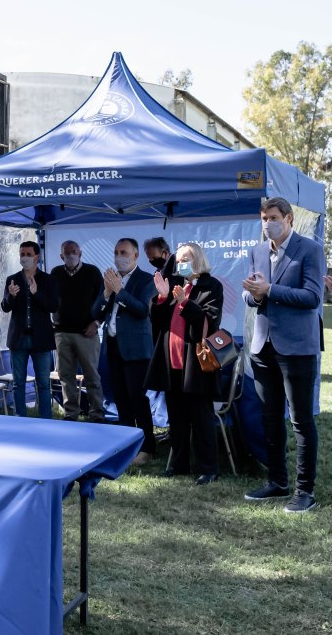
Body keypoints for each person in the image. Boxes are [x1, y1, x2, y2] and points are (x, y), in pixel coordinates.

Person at [242, 197, 324, 513]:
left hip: (297, 348)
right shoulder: (258, 251)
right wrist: (252, 293)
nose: (267, 223)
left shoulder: (310, 249)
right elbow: (252, 297)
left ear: (288, 219)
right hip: (264, 346)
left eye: (272, 217)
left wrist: (269, 291)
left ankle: (306, 492)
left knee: (301, 420)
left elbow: (312, 296)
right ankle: (277, 482)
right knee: (270, 418)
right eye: (263, 218)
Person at [145, 243, 223, 485]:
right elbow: (157, 323)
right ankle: (178, 464)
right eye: (178, 260)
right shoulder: (174, 284)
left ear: (198, 259)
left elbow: (209, 320)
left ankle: (209, 468)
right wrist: (162, 297)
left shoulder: (212, 285)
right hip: (172, 361)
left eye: (186, 258)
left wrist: (185, 303)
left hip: (196, 363)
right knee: (177, 419)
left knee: (201, 417)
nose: (181, 264)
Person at [93, 238, 157, 464]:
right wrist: (108, 293)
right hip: (112, 347)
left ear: (136, 256)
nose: (119, 256)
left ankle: (147, 447)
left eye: (124, 252)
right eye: (116, 252)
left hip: (136, 350)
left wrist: (120, 291)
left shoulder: (146, 280)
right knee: (120, 397)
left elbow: (142, 310)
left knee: (137, 398)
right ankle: (128, 443)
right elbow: (96, 312)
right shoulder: (111, 280)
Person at [1, 241, 59, 418]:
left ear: (37, 257)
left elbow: (53, 306)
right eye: (21, 254)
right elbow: (5, 307)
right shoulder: (13, 279)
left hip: (40, 338)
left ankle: (46, 419)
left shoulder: (47, 279)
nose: (24, 258)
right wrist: (11, 296)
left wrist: (36, 293)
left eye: (28, 254)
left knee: (43, 383)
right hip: (18, 338)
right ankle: (21, 418)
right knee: (18, 383)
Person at [49, 240, 105, 422]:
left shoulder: (93, 272)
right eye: (67, 252)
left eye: (74, 251)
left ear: (80, 253)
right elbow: (50, 300)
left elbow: (105, 301)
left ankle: (96, 414)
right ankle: (70, 413)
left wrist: (97, 323)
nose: (71, 255)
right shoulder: (56, 273)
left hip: (86, 333)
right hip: (62, 333)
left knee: (92, 376)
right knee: (66, 376)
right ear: (61, 256)